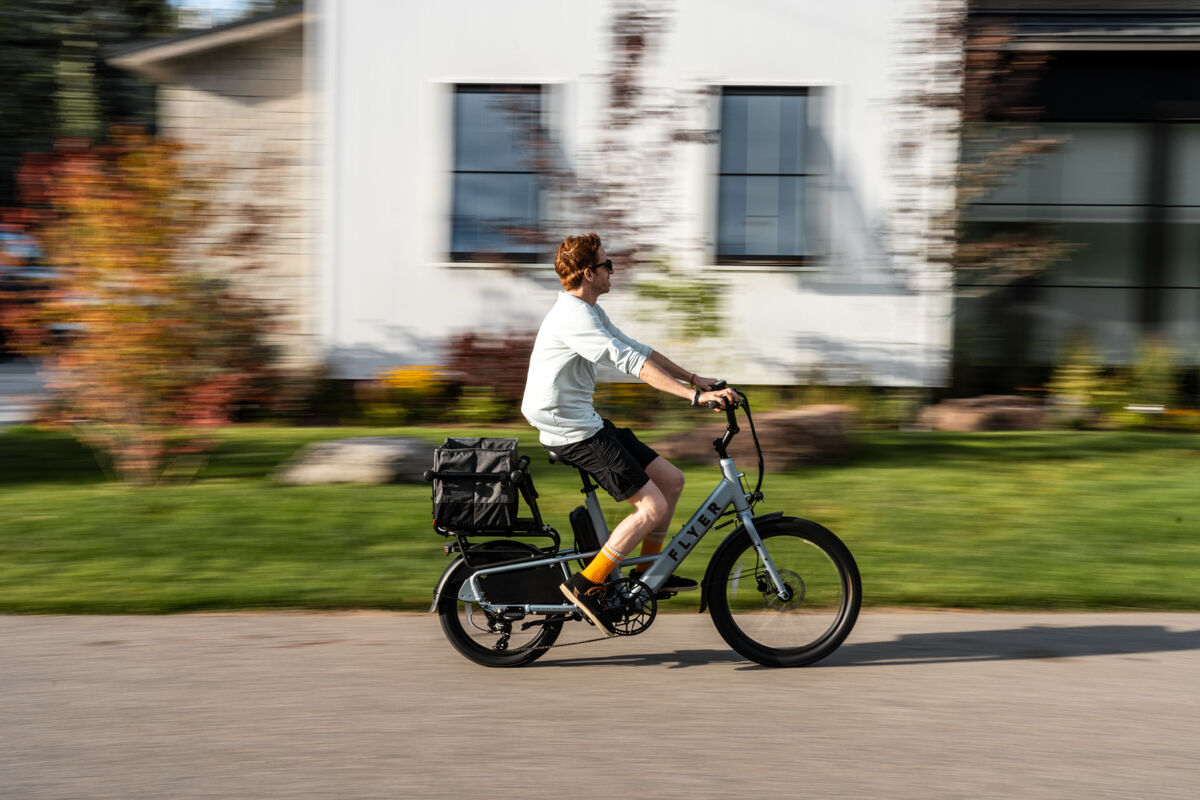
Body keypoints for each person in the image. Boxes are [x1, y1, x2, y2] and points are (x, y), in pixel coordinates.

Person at [521, 232, 739, 635]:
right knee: (651, 509)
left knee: (672, 481)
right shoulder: (574, 318)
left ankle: (649, 575)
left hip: (582, 419)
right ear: (589, 273)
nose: (612, 270)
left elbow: (637, 347)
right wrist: (693, 398)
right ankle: (587, 585)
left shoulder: (587, 309)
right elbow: (629, 363)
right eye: (607, 264)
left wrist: (695, 379)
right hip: (569, 429)